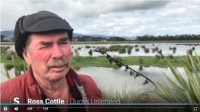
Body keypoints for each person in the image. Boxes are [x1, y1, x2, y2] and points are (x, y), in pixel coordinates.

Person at [1, 10, 104, 112]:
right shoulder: (5, 97)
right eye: (45, 46)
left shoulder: (88, 86)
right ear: (26, 55)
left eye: (63, 42)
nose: (58, 54)